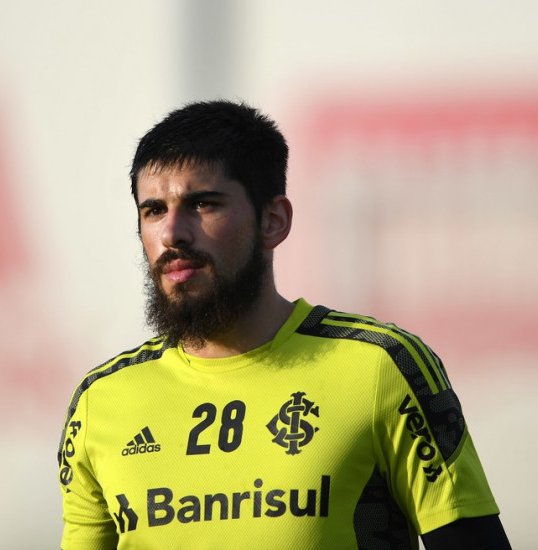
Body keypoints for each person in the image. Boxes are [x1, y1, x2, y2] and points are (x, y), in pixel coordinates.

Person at [57, 100, 511, 549]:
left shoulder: (382, 367)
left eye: (203, 204)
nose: (172, 233)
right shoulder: (100, 402)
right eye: (153, 210)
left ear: (273, 221)